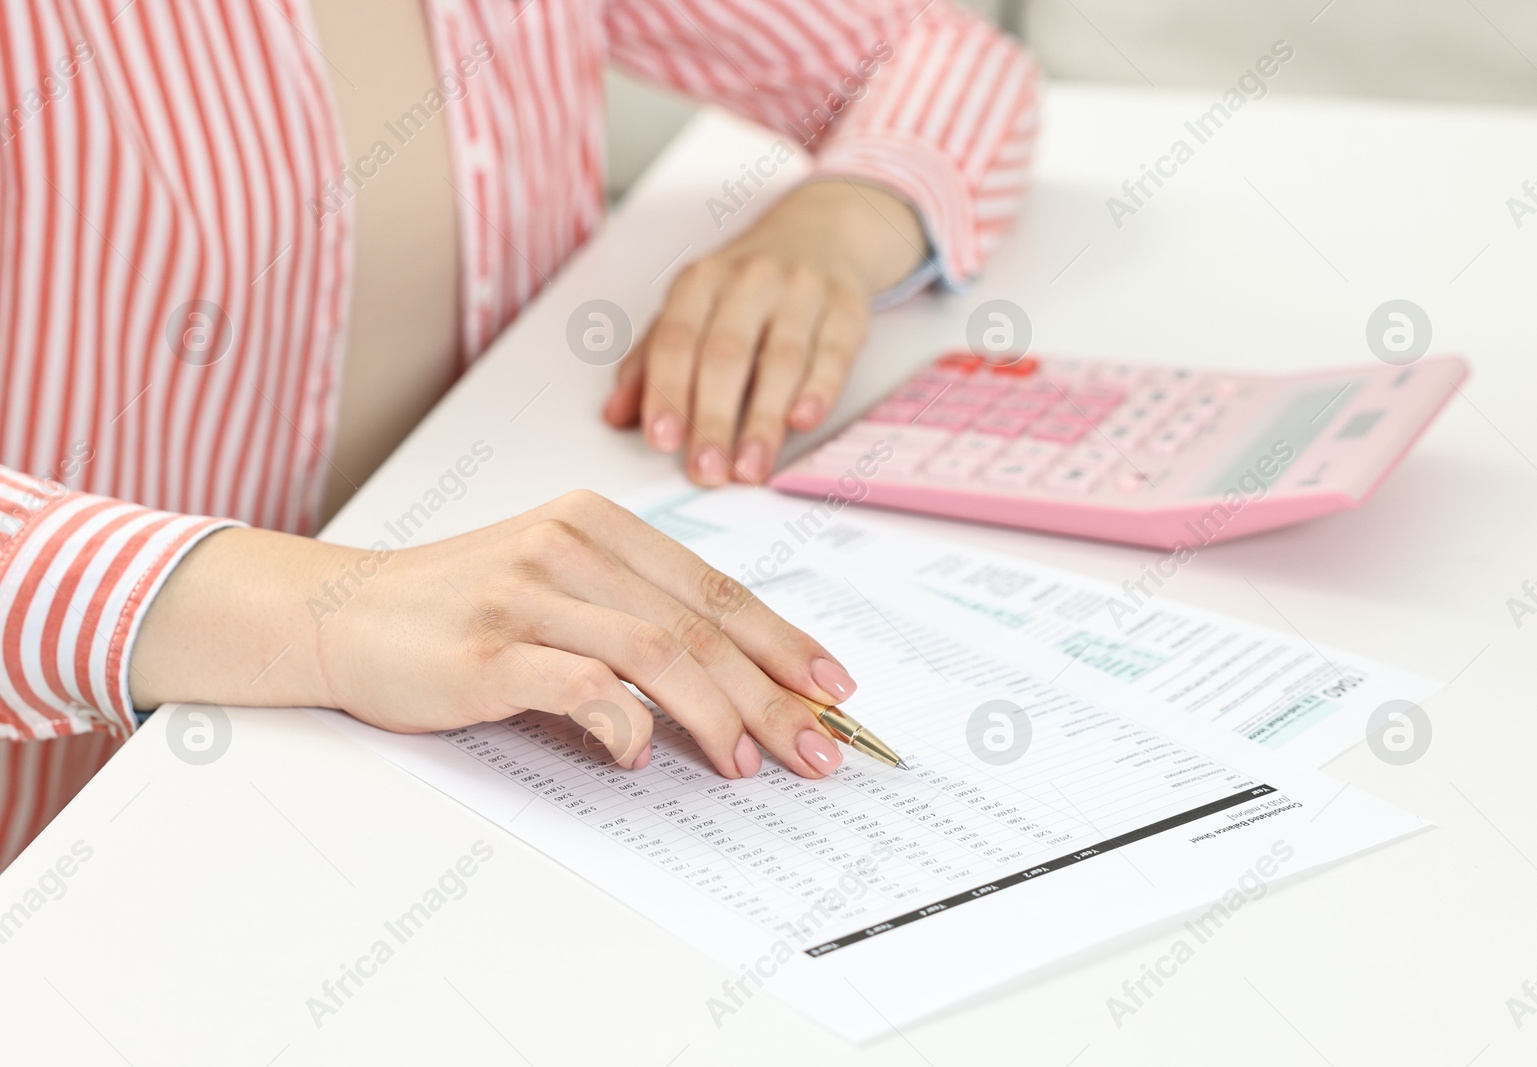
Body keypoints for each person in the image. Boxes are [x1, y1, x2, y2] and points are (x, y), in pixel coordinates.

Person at [0, 0, 1038, 867]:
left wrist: (831, 229)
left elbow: (933, 53)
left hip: (458, 762)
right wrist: (319, 610)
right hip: (73, 828)